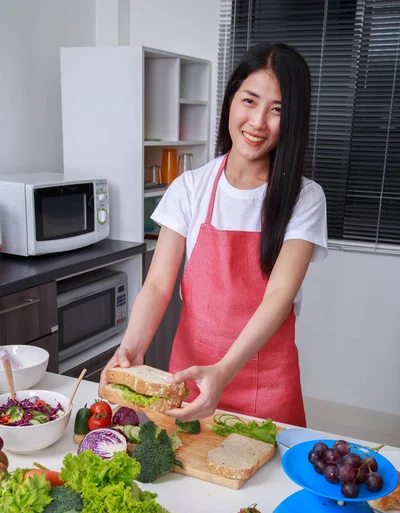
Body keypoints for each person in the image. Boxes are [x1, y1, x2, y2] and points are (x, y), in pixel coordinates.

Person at [99, 42, 327, 426]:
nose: (258, 122)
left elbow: (279, 295)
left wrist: (223, 371)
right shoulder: (190, 188)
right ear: (230, 101)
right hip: (187, 379)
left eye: (277, 110)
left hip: (266, 385)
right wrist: (131, 347)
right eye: (249, 101)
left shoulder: (304, 198)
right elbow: (157, 285)